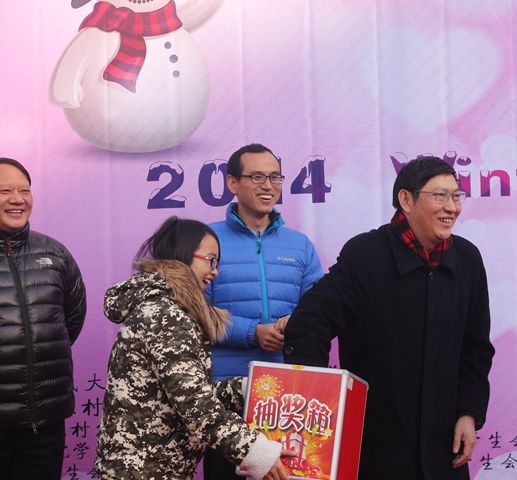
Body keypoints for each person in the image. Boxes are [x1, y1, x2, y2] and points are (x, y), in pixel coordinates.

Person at [283, 156, 495, 479]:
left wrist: (469, 412)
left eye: (456, 196)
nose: (451, 207)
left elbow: (475, 347)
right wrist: (317, 406)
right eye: (440, 196)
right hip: (376, 446)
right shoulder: (365, 255)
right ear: (406, 200)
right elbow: (309, 324)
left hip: (444, 446)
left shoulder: (467, 259)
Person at [94, 216, 294, 480]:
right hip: (142, 472)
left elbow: (188, 390)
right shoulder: (164, 315)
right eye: (211, 260)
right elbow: (196, 406)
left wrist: (248, 389)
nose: (215, 272)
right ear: (185, 254)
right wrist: (257, 454)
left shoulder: (169, 309)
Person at [204, 144, 323, 478]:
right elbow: (195, 314)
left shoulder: (300, 245)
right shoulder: (208, 241)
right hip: (225, 397)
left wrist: (294, 325)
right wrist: (251, 332)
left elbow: (319, 309)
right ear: (232, 182)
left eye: (275, 177)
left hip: (286, 398)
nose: (268, 186)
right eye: (256, 177)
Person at [0, 157, 86, 480]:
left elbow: (71, 319)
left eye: (24, 190)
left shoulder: (55, 254)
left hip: (44, 421)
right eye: (5, 191)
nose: (17, 199)